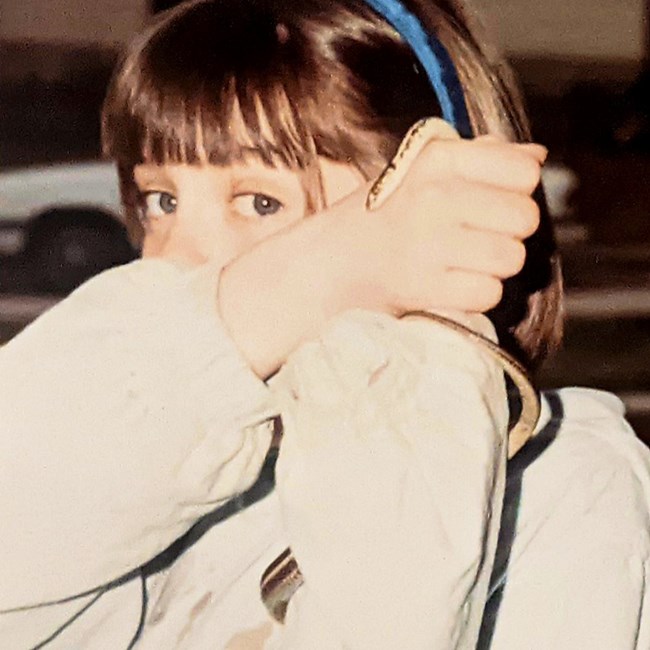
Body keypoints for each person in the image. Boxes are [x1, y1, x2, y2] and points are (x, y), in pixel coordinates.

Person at [1, 0, 648, 648]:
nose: (175, 259)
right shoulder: (130, 466)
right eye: (161, 200)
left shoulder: (566, 493)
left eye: (260, 201)